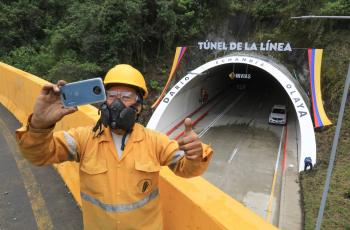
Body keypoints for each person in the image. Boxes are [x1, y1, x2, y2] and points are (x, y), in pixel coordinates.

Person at [15, 64, 213, 230]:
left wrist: (195, 155)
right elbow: (38, 155)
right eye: (111, 95)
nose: (117, 103)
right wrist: (40, 125)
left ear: (139, 105)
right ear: (103, 100)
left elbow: (186, 168)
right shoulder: (83, 139)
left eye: (126, 96)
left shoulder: (156, 141)